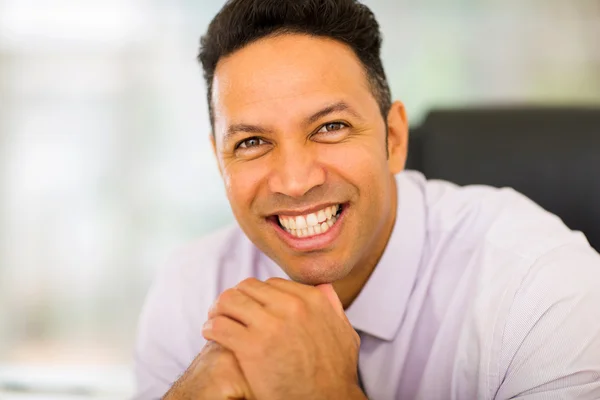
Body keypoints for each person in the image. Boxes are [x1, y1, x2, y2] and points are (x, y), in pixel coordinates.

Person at [133, 0, 600, 399]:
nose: (295, 182)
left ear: (393, 139)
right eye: (252, 142)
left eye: (330, 127)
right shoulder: (190, 291)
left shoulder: (539, 288)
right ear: (221, 164)